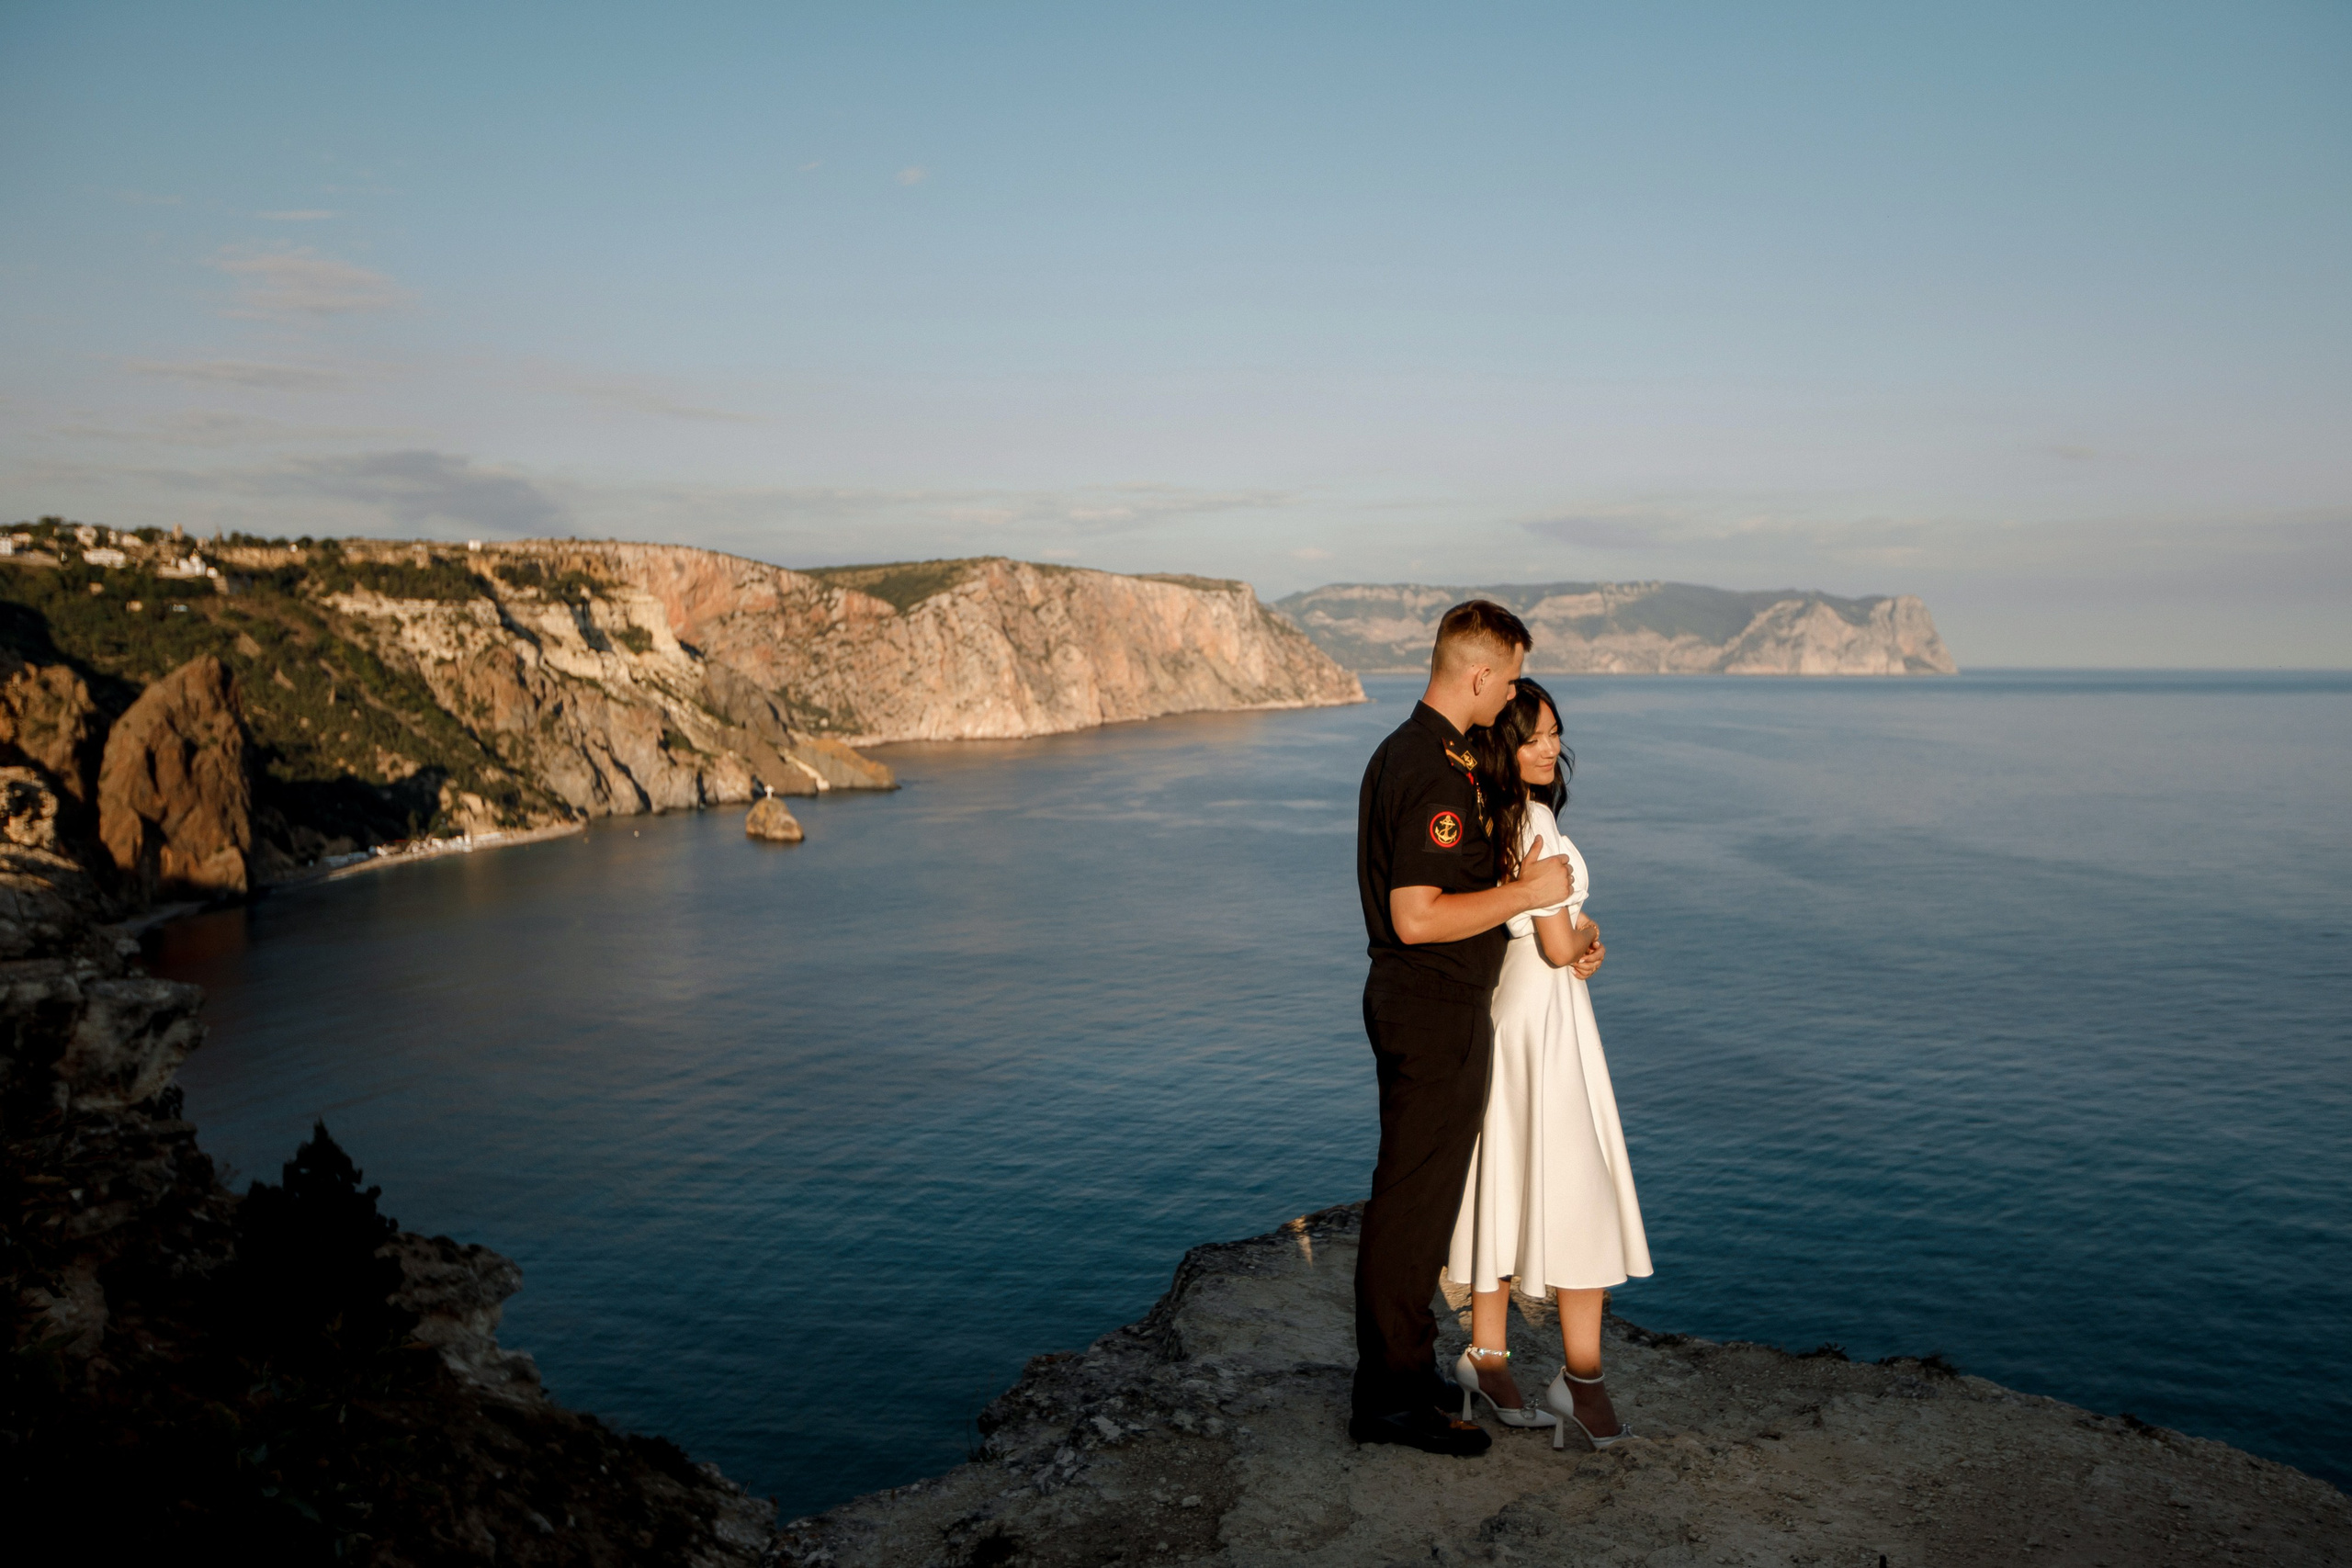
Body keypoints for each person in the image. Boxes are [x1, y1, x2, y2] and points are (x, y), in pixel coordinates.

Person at [1350, 601, 1574, 1456]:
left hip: (1427, 1003)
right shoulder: (1436, 773)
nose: (1514, 691)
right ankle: (1389, 1404)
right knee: (1411, 1212)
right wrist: (1529, 892)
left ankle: (1404, 1374)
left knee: (1422, 1204)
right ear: (1479, 674)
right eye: (1512, 677)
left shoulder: (1411, 753)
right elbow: (1417, 913)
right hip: (1432, 1003)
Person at [1446, 678, 1652, 1450]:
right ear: (1503, 741)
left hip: (1506, 1015)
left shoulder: (1485, 814)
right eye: (1531, 735)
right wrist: (1592, 929)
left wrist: (1572, 937)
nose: (1548, 746)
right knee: (1576, 1196)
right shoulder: (1536, 821)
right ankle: (1583, 1387)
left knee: (1503, 1181)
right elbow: (1563, 944)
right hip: (1550, 1024)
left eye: (1555, 732)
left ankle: (1487, 1360)